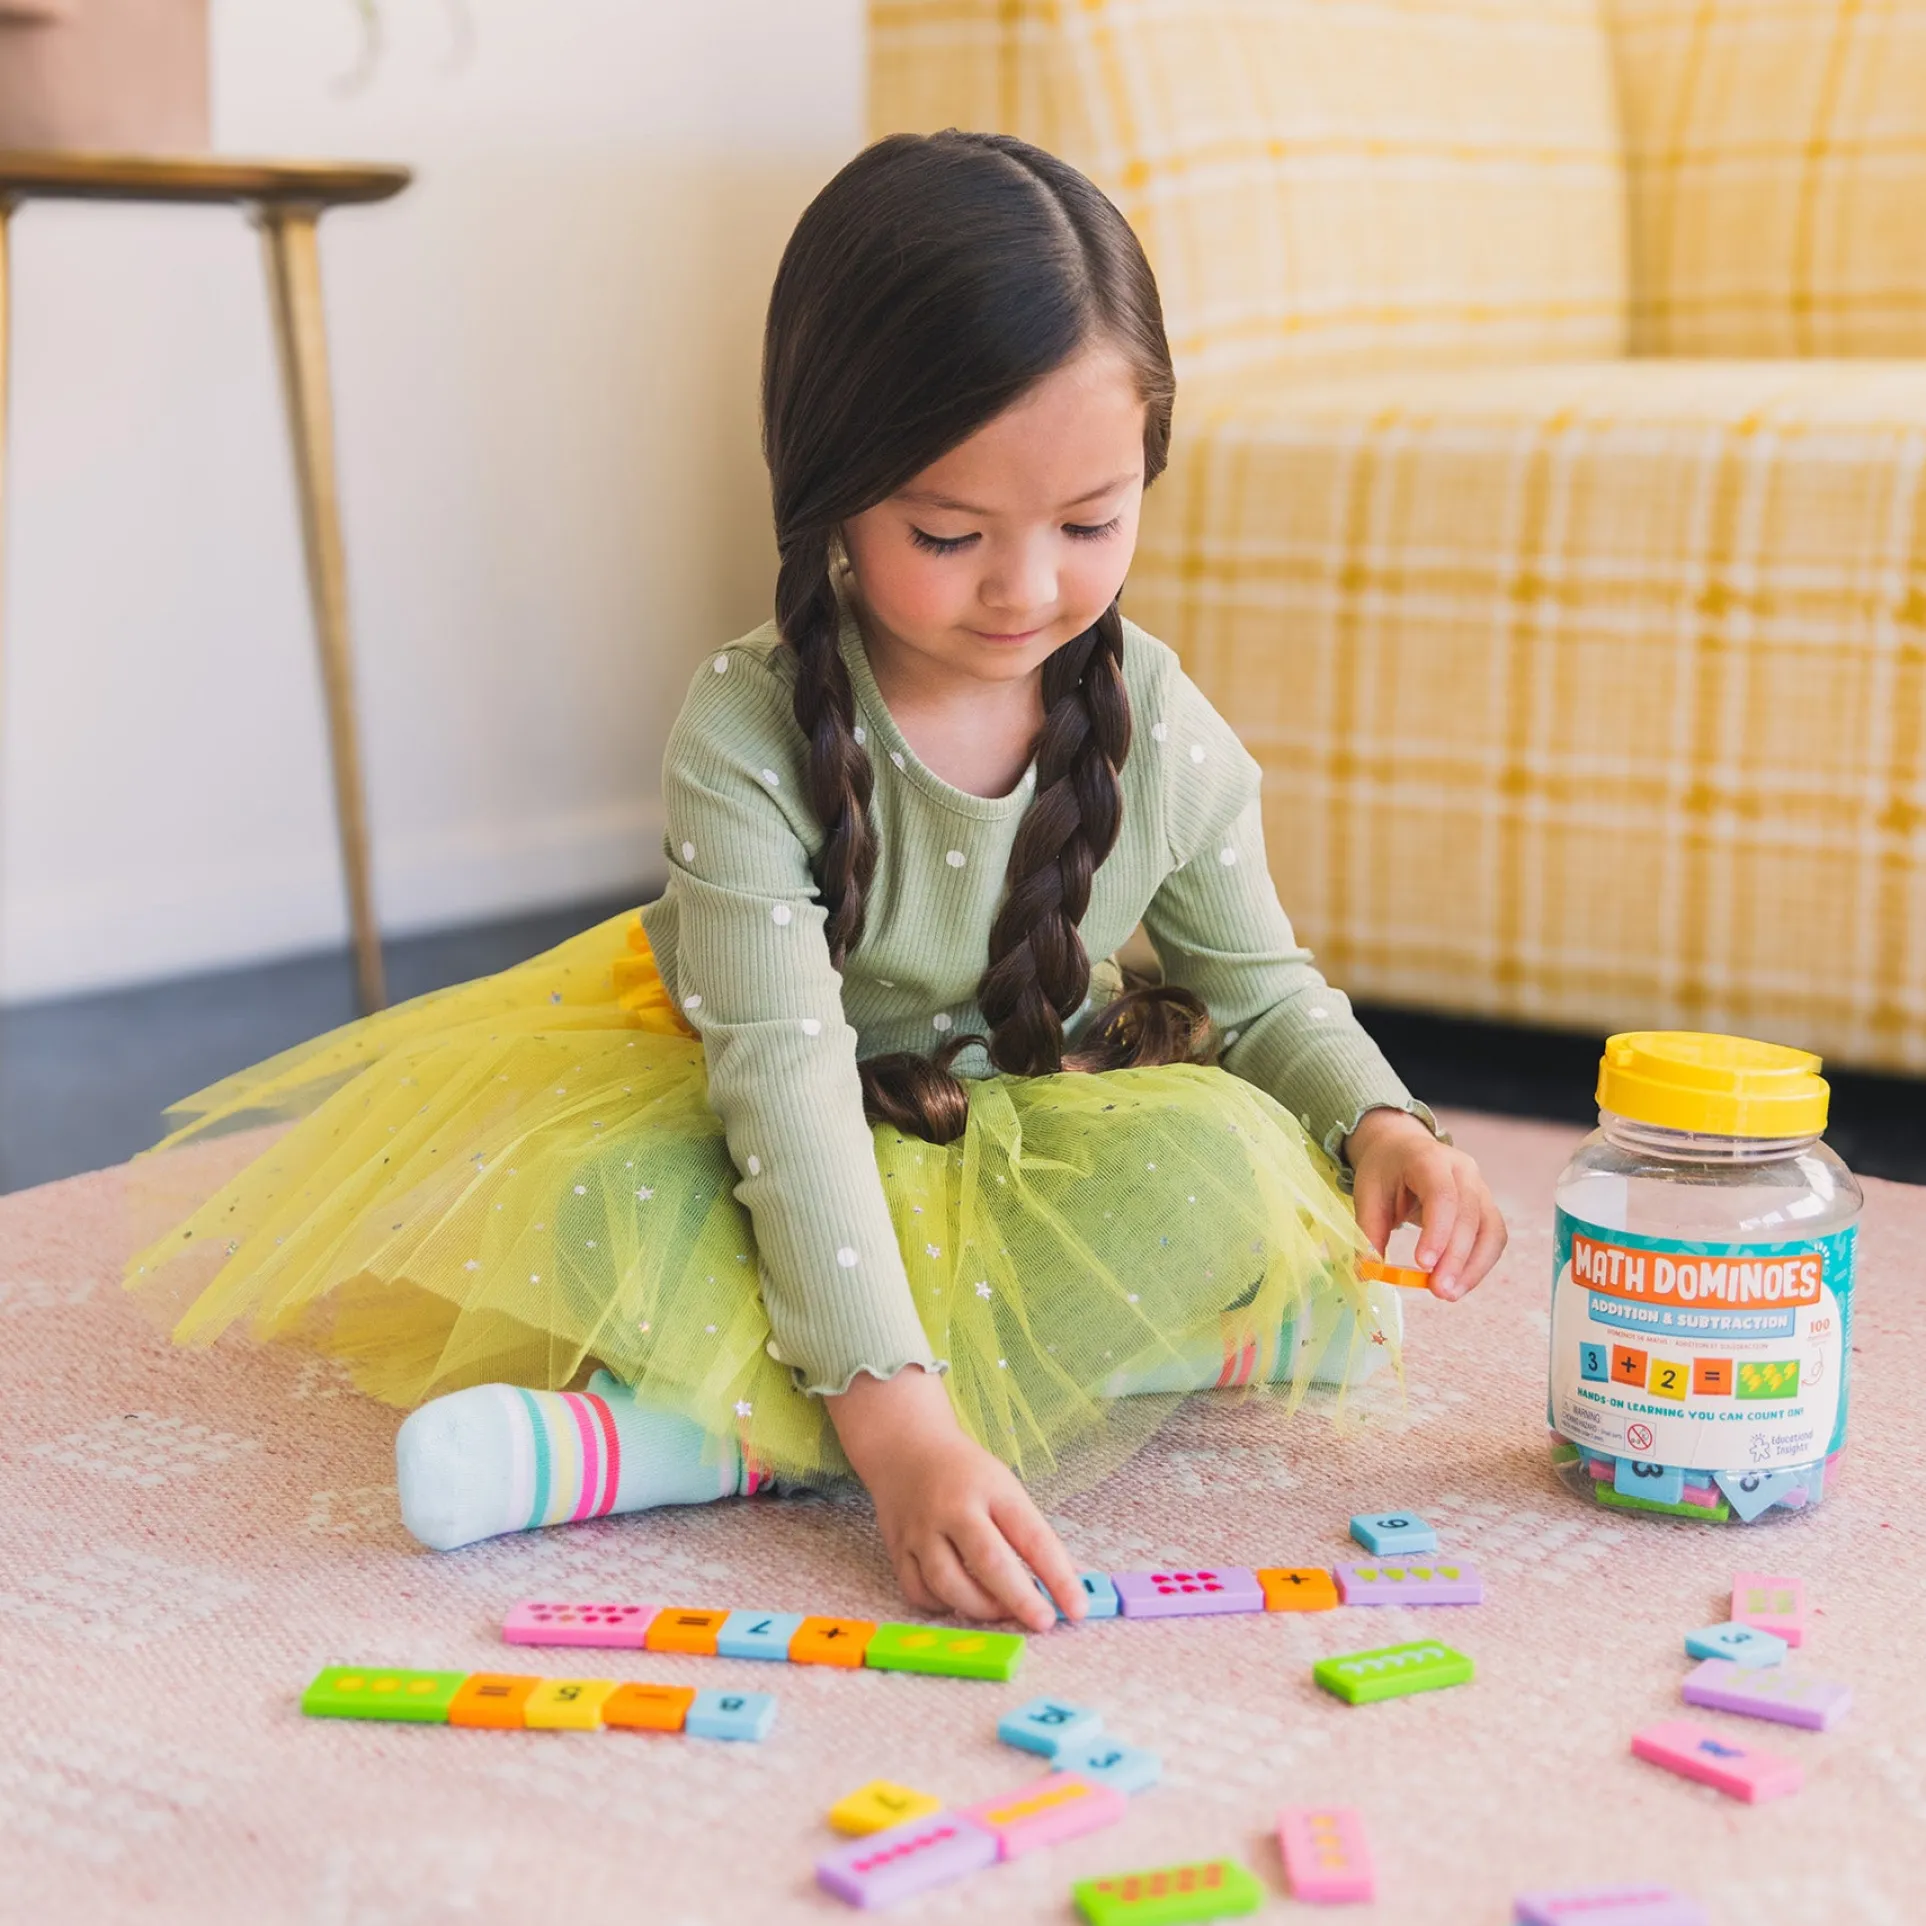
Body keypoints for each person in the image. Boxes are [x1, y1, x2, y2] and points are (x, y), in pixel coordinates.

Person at [128, 131, 1505, 1634]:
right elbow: (780, 1083)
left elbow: (1260, 991)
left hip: (1031, 1131)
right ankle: (1036, 1381)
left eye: (1090, 523)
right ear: (829, 491)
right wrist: (901, 1434)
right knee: (604, 1210)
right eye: (947, 533)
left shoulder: (1160, 723)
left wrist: (1384, 1123)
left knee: (1228, 1163)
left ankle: (702, 1437)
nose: (1027, 587)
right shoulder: (746, 730)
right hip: (788, 1136)